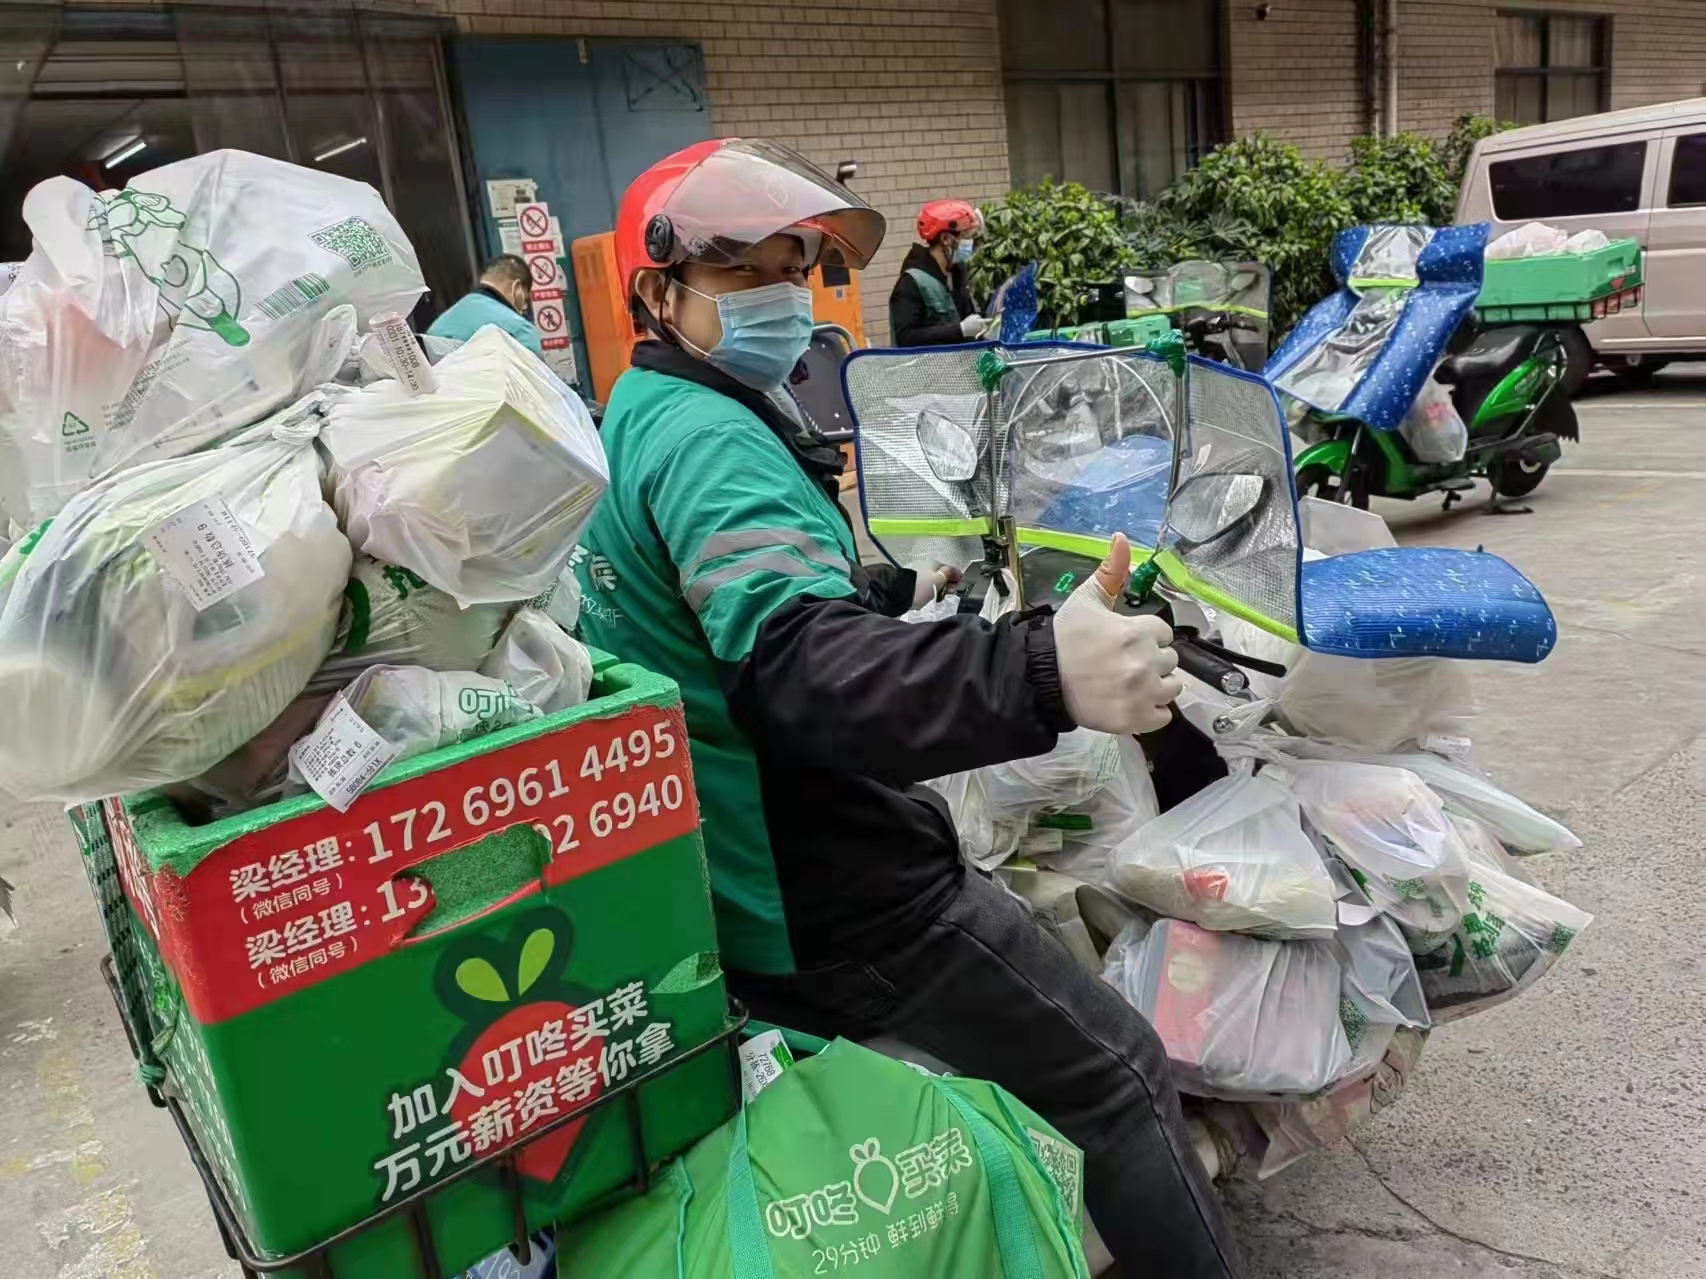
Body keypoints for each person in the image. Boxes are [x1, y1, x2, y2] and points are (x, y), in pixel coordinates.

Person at [573, 137, 1247, 1279]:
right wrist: (1042, 670)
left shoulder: (645, 404)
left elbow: (745, 602)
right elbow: (800, 664)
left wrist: (899, 588)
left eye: (795, 267)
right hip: (834, 889)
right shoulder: (709, 440)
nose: (782, 294)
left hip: (728, 868)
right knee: (1119, 1073)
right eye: (742, 271)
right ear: (658, 289)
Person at [887, 198, 991, 346]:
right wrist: (960, 330)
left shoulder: (955, 273)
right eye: (966, 237)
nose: (971, 243)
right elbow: (906, 337)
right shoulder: (912, 282)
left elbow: (968, 319)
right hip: (928, 367)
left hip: (960, 365)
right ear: (946, 239)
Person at [427, 254, 542, 353]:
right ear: (516, 287)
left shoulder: (436, 329)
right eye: (525, 299)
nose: (524, 306)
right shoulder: (521, 330)